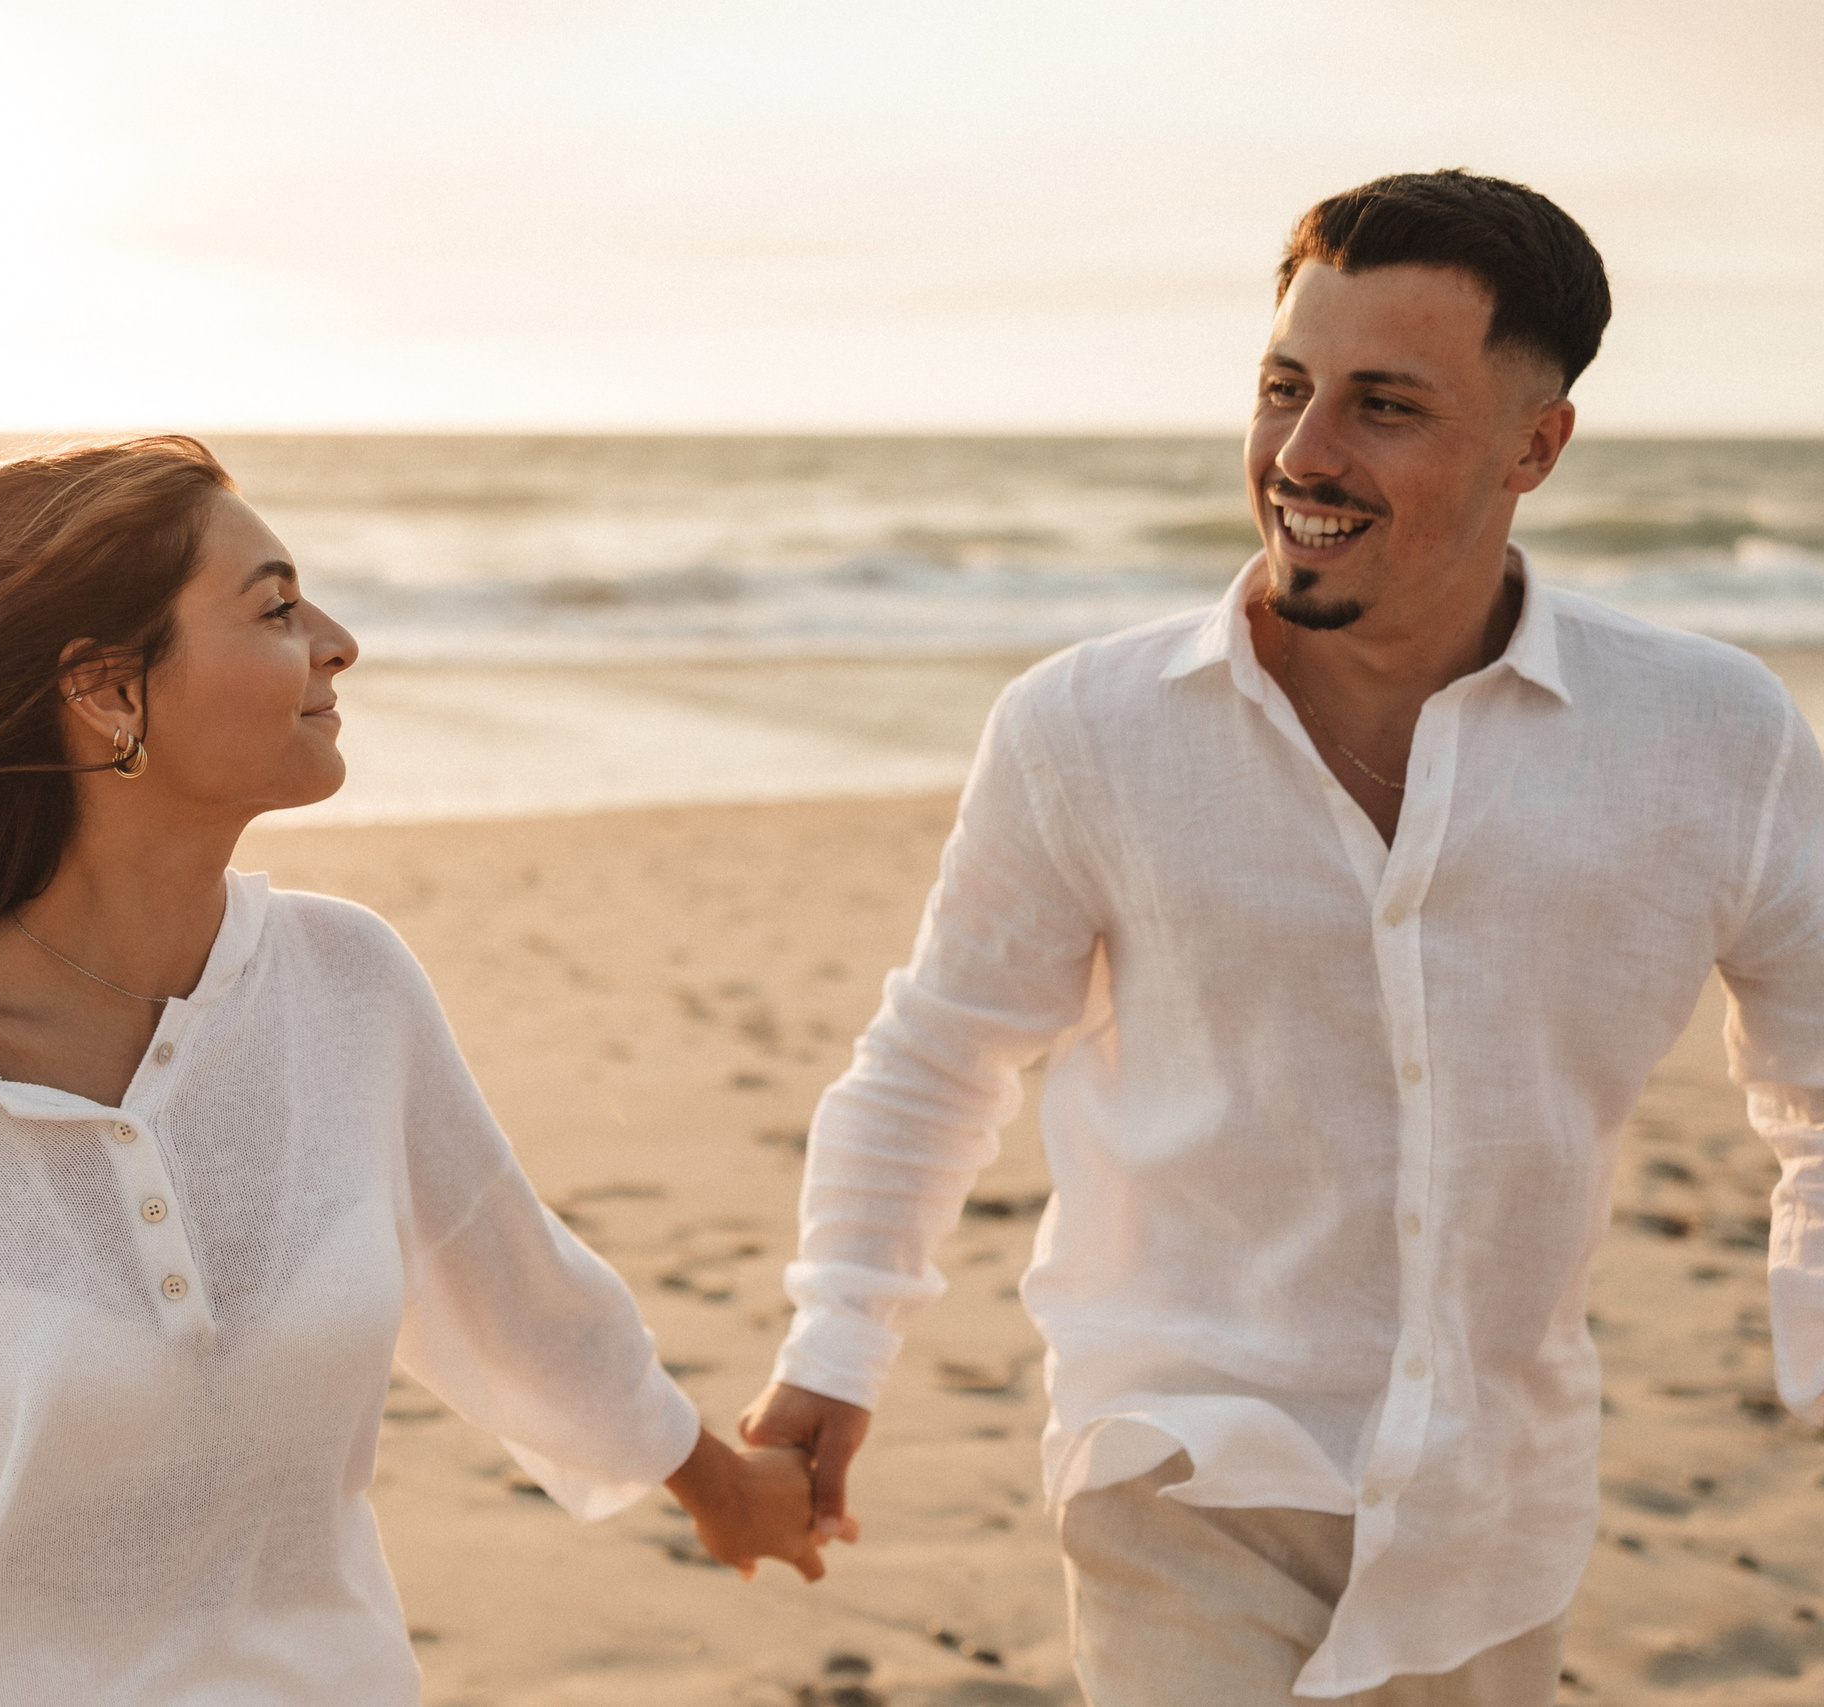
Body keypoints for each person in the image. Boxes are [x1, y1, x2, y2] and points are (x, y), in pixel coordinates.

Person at [737, 170, 1824, 1703]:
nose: (1301, 456)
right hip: (1178, 1470)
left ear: (1538, 443)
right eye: (1282, 388)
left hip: (1494, 1507)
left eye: (1384, 405)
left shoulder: (1710, 737)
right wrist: (838, 1339)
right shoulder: (1086, 729)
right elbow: (938, 1053)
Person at [0, 436, 821, 1706]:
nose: (338, 643)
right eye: (276, 609)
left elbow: (516, 1294)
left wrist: (718, 1478)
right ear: (108, 689)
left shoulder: (345, 985)